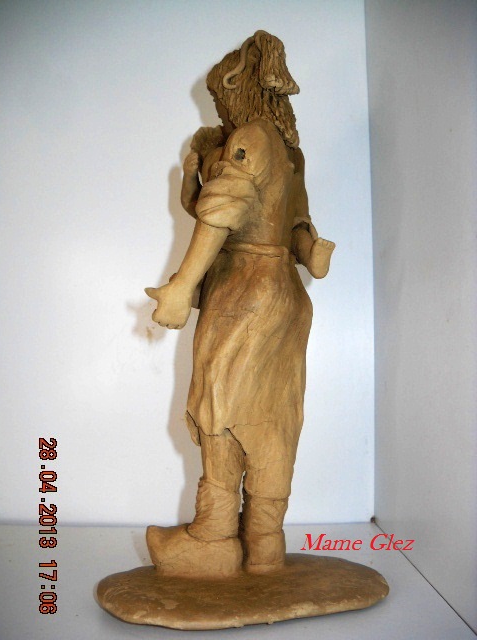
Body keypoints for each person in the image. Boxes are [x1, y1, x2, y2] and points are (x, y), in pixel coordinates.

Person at [145, 31, 335, 579]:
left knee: (220, 408)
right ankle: (265, 548)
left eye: (221, 94)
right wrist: (312, 255)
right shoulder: (290, 155)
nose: (220, 106)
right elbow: (297, 228)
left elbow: (221, 213)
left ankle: (213, 538)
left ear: (238, 89)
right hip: (284, 297)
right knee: (274, 415)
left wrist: (181, 286)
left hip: (245, 292)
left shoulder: (249, 138)